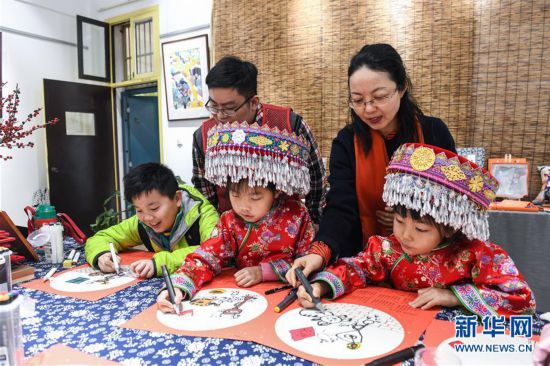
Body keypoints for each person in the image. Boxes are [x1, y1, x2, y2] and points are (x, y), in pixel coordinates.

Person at [292, 143, 535, 318]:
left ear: (449, 228)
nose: (405, 235)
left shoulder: (476, 254)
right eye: (398, 221)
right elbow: (357, 268)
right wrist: (320, 287)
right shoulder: (386, 249)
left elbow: (522, 299)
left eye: (420, 228)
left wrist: (453, 297)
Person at [289, 43, 457, 276]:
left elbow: (452, 203)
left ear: (402, 88)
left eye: (379, 97)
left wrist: (406, 216)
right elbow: (340, 206)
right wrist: (319, 251)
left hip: (430, 263)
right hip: (364, 260)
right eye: (358, 100)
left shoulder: (433, 133)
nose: (368, 109)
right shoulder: (347, 142)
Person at [157, 122, 315, 311]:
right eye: (235, 195)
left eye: (255, 196)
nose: (243, 206)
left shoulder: (296, 215)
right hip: (242, 298)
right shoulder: (229, 221)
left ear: (277, 192)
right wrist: (179, 286)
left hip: (291, 298)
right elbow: (206, 256)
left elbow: (309, 262)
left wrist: (263, 272)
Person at [192, 55, 326, 224]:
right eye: (213, 106)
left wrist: (313, 226)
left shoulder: (290, 125)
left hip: (288, 234)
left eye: (229, 108)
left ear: (254, 102)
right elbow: (205, 197)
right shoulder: (203, 136)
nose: (219, 115)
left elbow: (317, 182)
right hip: (234, 237)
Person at [85, 163, 219, 278]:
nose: (147, 218)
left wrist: (161, 262)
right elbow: (102, 237)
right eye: (139, 210)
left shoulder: (202, 215)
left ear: (177, 199)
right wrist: (101, 254)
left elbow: (215, 250)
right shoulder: (141, 223)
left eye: (154, 208)